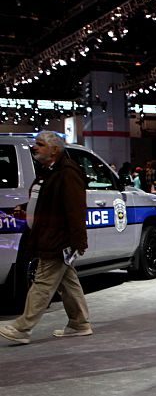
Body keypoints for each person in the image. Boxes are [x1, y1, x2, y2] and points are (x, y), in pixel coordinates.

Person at [0, 131, 91, 345]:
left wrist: (78, 241)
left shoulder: (67, 173)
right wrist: (25, 209)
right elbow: (44, 201)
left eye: (40, 145)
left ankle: (22, 328)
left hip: (57, 239)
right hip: (47, 236)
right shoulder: (48, 172)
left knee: (42, 282)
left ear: (54, 150)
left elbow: (75, 209)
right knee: (67, 281)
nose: (35, 148)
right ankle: (80, 323)